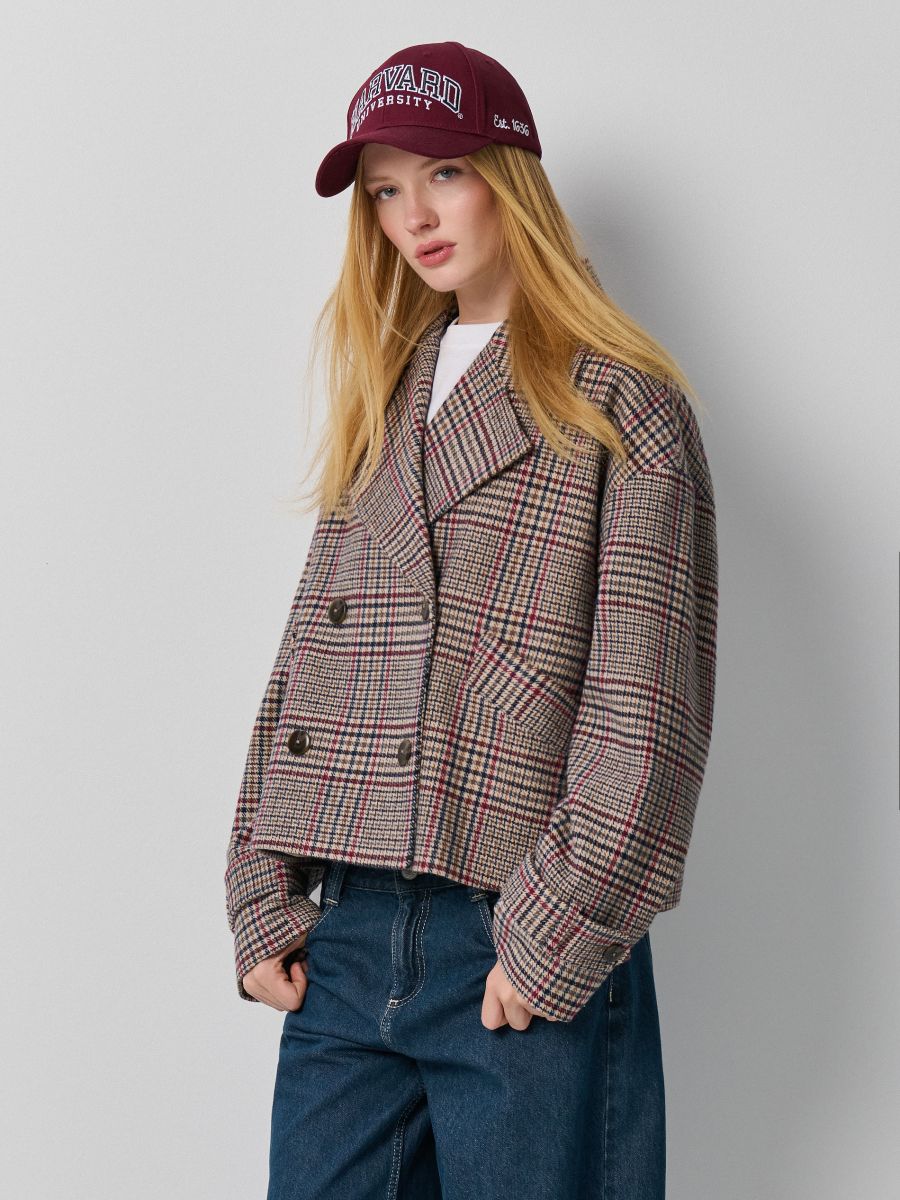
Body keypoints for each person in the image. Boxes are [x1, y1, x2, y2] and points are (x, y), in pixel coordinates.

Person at [224, 39, 719, 1200]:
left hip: (514, 934)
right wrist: (258, 886)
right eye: (384, 191)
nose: (414, 216)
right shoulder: (387, 392)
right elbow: (310, 662)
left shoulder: (622, 404)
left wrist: (554, 934)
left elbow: (646, 714)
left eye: (443, 173)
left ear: (510, 175)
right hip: (346, 937)